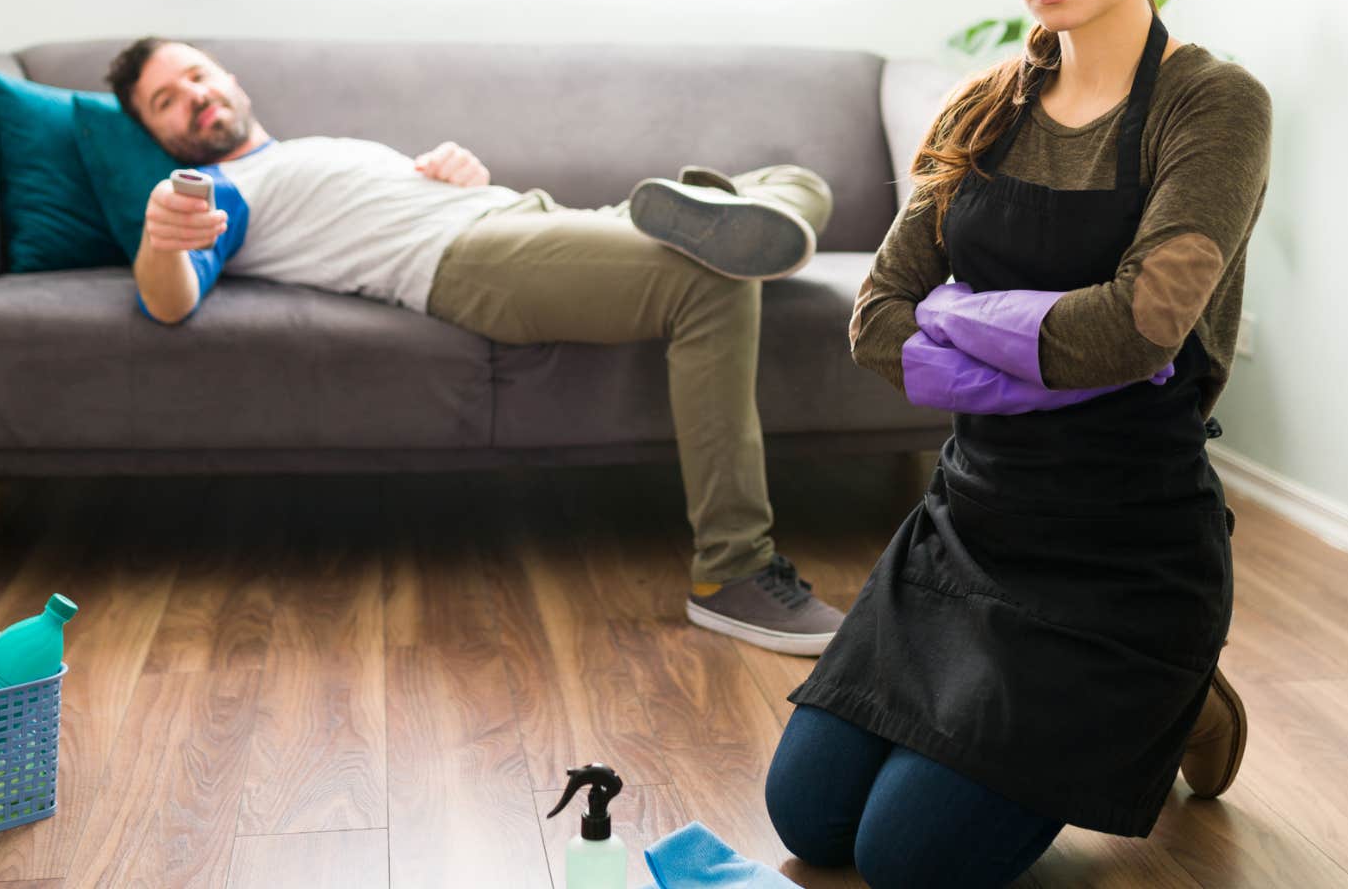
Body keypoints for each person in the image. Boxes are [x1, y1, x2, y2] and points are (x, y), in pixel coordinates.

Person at [764, 0, 1273, 883]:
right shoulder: (980, 107)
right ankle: (1032, 714)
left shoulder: (1212, 106)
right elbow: (876, 321)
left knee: (909, 860)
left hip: (1121, 553)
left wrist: (955, 321)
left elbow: (1143, 325)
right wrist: (1024, 337)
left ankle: (1177, 689)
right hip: (971, 522)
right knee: (807, 818)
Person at [103, 37, 848, 654]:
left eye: (195, 75)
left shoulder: (305, 151)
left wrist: (454, 174)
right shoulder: (214, 190)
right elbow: (169, 301)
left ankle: (732, 224)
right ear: (156, 135)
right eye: (165, 101)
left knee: (796, 178)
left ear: (228, 78)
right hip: (472, 258)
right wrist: (160, 234)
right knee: (711, 282)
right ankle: (733, 573)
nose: (193, 97)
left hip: (529, 215)